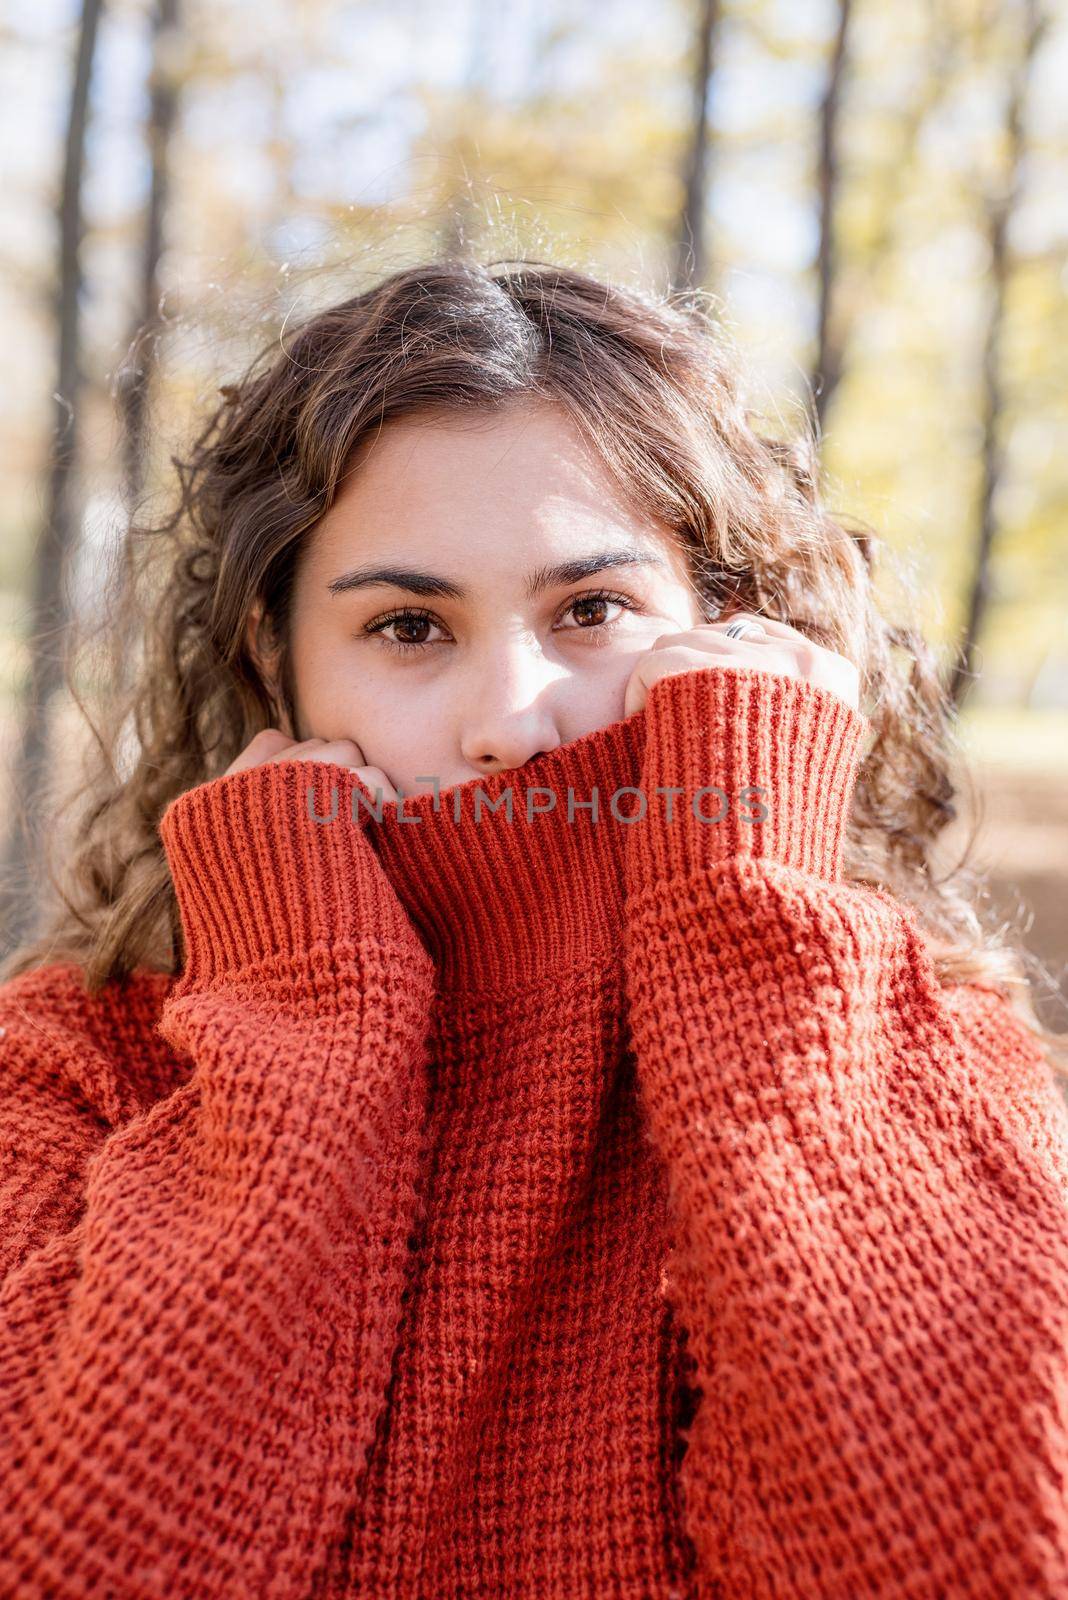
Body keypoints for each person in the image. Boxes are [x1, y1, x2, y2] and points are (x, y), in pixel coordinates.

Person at [2, 258, 1067, 1600]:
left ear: (727, 633)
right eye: (406, 625)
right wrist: (304, 1009)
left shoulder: (911, 1047)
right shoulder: (76, 1074)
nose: (509, 720)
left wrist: (753, 926)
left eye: (592, 612)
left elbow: (969, 1560)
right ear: (275, 659)